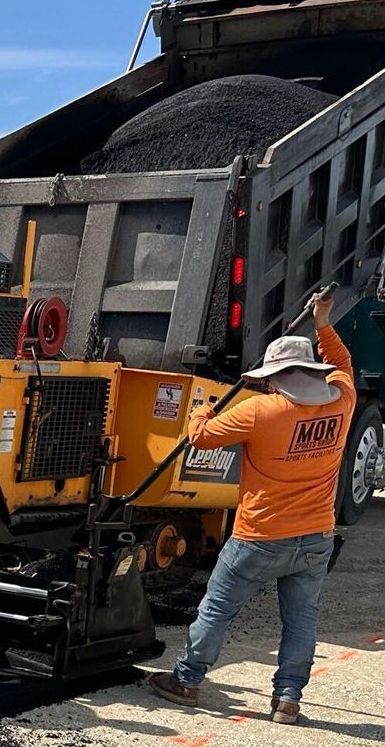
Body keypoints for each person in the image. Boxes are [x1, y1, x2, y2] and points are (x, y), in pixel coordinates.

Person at [148, 288, 355, 723]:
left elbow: (200, 439)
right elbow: (342, 364)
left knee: (217, 609)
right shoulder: (342, 399)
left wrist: (200, 411)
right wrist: (323, 321)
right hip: (316, 536)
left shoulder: (260, 411)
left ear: (273, 375)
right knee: (301, 620)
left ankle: (187, 679)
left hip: (259, 536)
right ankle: (287, 699)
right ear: (313, 372)